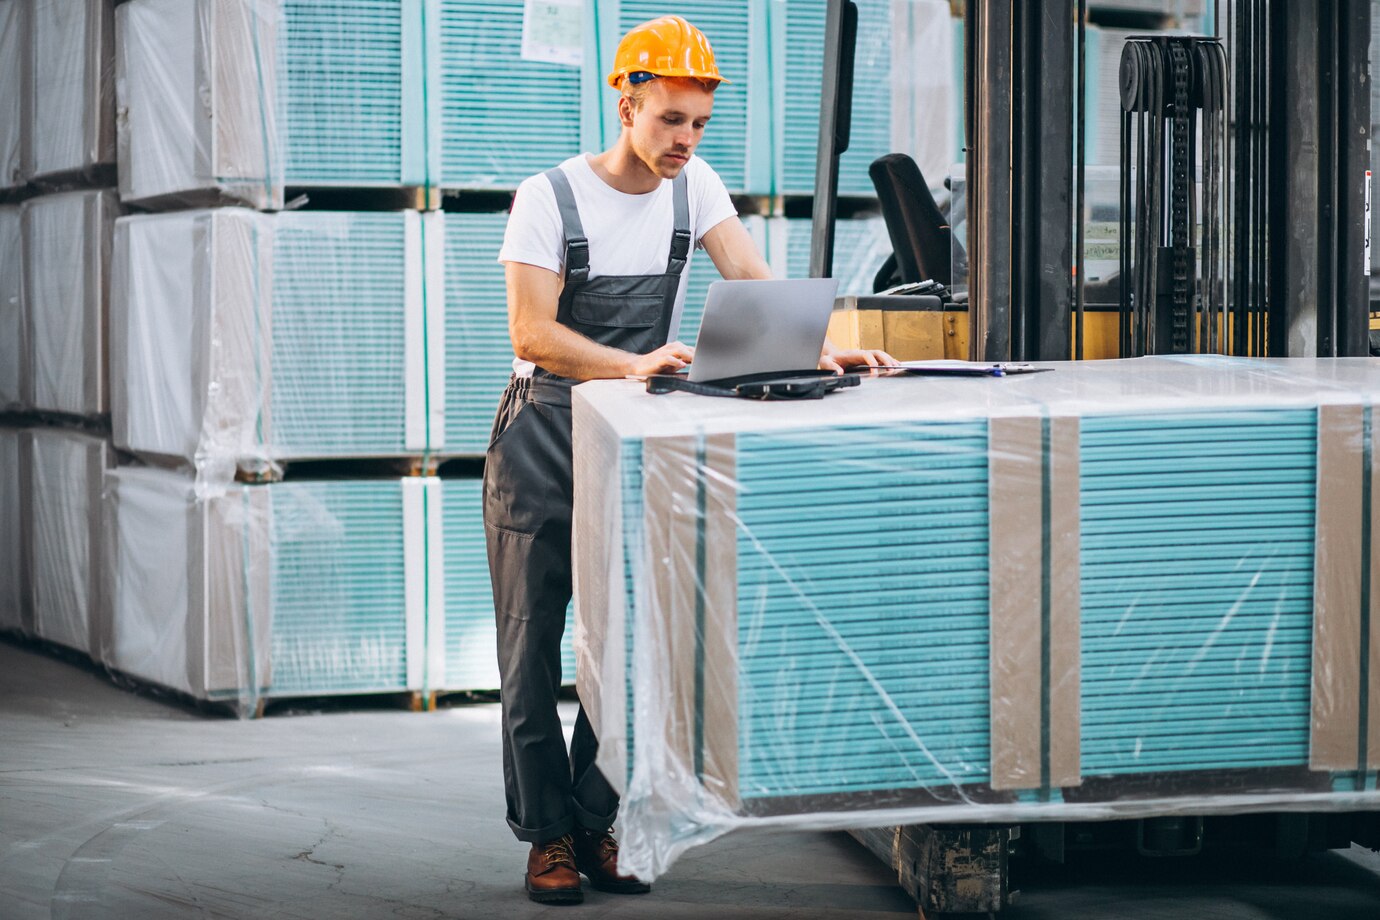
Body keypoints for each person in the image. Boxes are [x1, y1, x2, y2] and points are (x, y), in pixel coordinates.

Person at [484, 14, 893, 905]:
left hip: (630, 435)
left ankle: (596, 821)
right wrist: (631, 360)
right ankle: (545, 835)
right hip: (546, 432)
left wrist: (825, 350)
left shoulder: (693, 187)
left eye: (699, 123)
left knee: (631, 645)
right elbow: (531, 332)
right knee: (533, 645)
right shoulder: (548, 197)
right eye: (670, 118)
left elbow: (755, 285)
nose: (686, 140)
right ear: (626, 102)